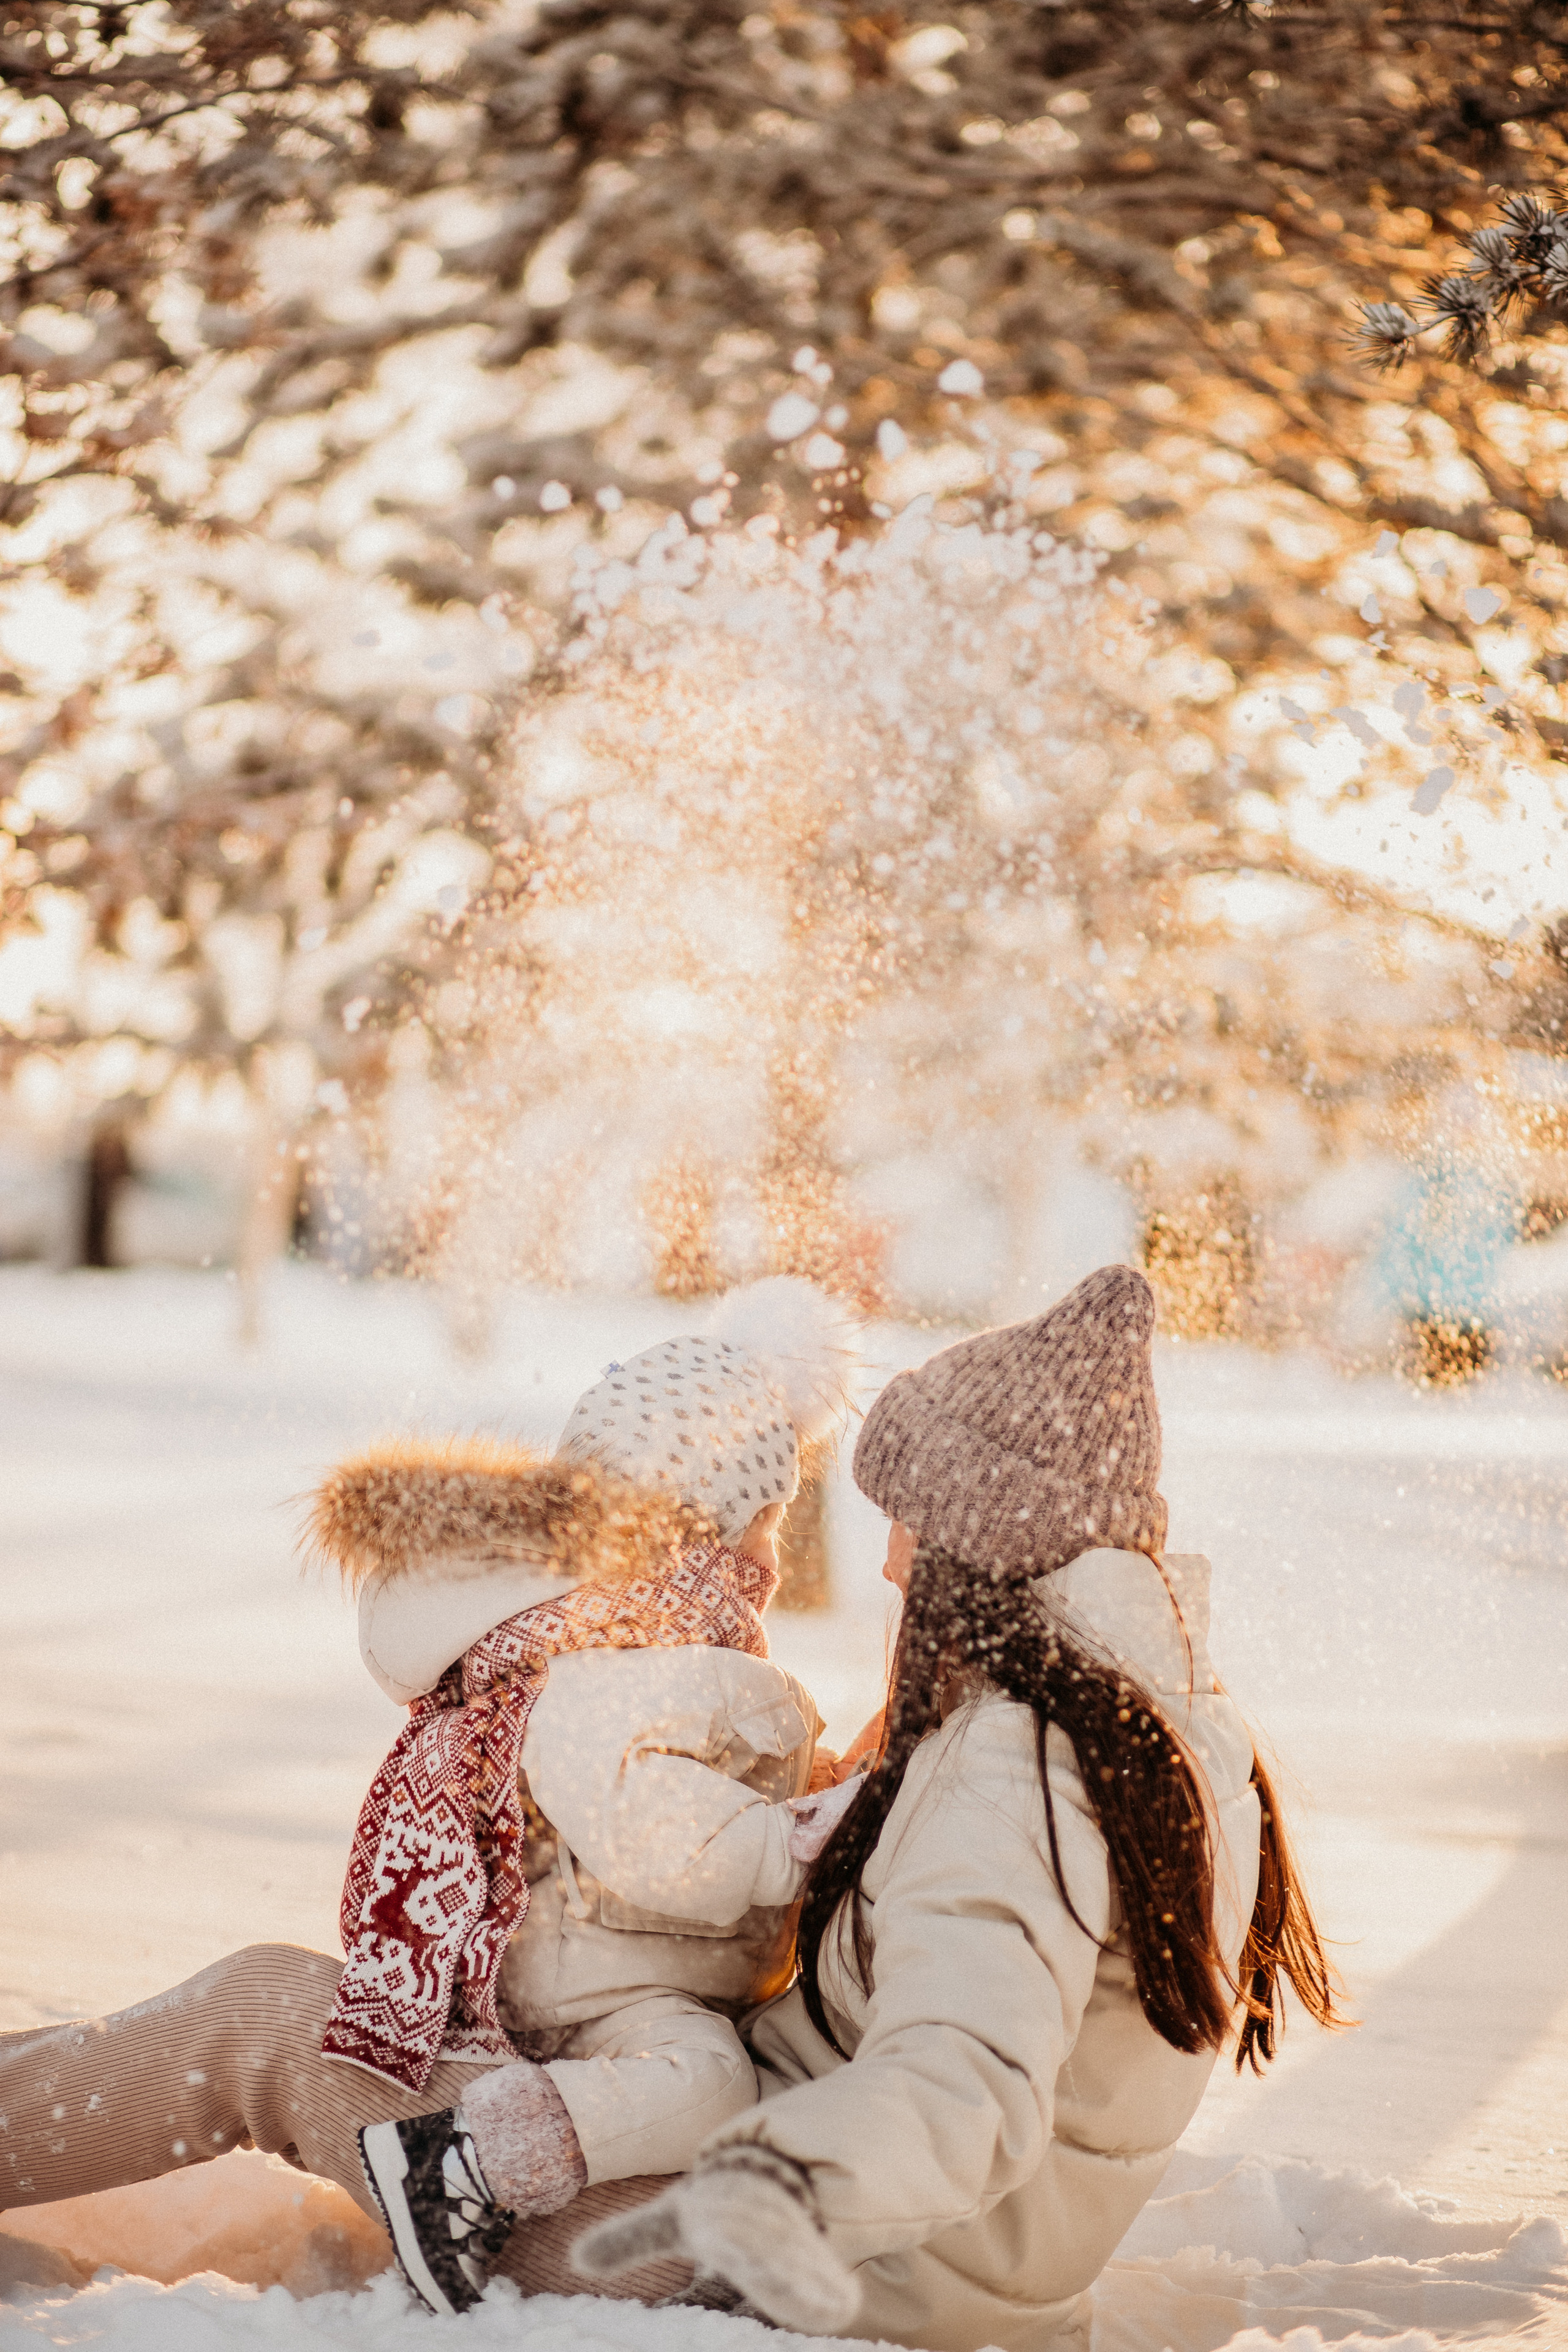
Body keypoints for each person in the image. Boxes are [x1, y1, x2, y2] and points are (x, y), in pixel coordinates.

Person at [0, 1277, 860, 2316]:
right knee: (259, 2008)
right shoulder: (638, 1656)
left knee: (257, 2011)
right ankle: (467, 2160)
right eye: (769, 1523)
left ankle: (470, 2158)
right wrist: (795, 1824)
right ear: (710, 1529)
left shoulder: (630, 1650)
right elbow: (643, 1814)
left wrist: (793, 1811)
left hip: (700, 2209)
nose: (781, 1558)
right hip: (640, 2107)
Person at [575, 1264, 1342, 2349]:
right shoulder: (1146, 1723)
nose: (884, 1554)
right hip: (920, 2257)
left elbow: (957, 2095)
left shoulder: (1017, 1768)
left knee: (285, 2027)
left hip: (833, 2268)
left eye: (906, 1521)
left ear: (980, 1545)